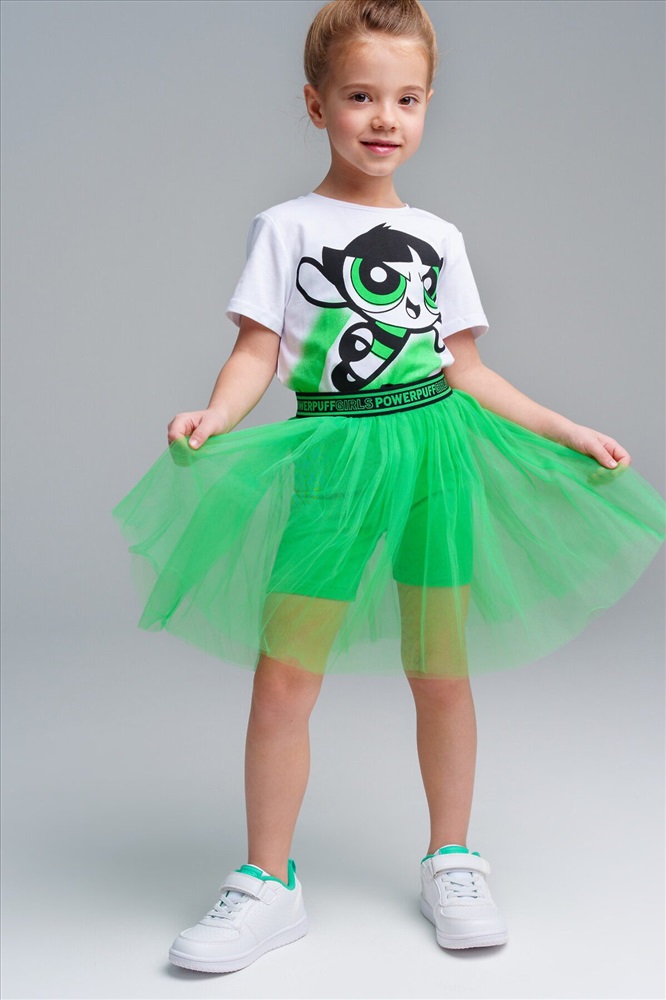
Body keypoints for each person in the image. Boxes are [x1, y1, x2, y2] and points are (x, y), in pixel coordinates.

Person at [112, 0, 665, 975]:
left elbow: (467, 369)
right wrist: (218, 414)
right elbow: (257, 350)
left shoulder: (438, 236)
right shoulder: (287, 227)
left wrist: (564, 426)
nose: (384, 118)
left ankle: (453, 857)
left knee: (439, 669)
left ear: (428, 105)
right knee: (285, 674)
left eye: (407, 99)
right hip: (333, 459)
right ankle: (267, 881)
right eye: (361, 95)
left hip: (435, 457)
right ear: (314, 103)